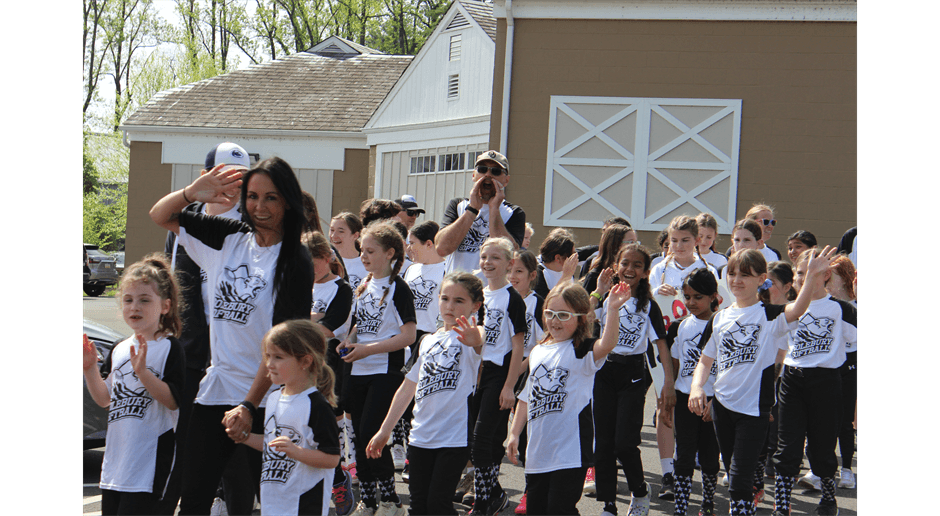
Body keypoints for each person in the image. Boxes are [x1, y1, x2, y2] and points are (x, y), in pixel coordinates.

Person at [150, 156, 315, 515]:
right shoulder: (227, 239)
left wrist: (249, 406)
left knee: (268, 504)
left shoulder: (294, 261)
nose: (260, 206)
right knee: (193, 498)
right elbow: (161, 215)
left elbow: (283, 345)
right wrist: (191, 192)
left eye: (271, 197)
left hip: (267, 401)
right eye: (252, 196)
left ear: (287, 201)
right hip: (216, 393)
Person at [688, 247, 836, 516]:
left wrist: (812, 276)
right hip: (723, 407)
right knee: (735, 474)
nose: (736, 280)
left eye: (745, 274)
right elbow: (705, 361)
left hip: (754, 410)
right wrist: (697, 387)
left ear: (761, 279)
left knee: (739, 479)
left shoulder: (770, 315)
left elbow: (799, 308)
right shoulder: (720, 318)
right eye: (732, 273)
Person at [160, 141, 255, 516]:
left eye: (239, 178)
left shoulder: (252, 225)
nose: (232, 185)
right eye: (223, 175)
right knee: (181, 451)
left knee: (237, 461)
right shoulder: (184, 219)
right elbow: (170, 285)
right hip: (189, 354)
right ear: (205, 176)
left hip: (234, 361)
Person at [506, 280, 633, 516]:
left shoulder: (582, 350)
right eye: (550, 313)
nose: (555, 320)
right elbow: (526, 397)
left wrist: (613, 309)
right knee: (536, 510)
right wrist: (514, 433)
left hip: (570, 454)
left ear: (581, 318)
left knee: (560, 509)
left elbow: (607, 344)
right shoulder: (538, 351)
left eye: (563, 315)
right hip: (537, 454)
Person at [365, 272, 487, 516]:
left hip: (453, 438)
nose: (449, 306)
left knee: (438, 505)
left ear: (476, 305)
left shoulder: (474, 335)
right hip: (420, 437)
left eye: (459, 301)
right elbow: (407, 388)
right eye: (445, 298)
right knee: (419, 506)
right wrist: (384, 430)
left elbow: (480, 342)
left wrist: (476, 341)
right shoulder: (427, 341)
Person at [81, 254, 186, 516]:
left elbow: (174, 400)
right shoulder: (119, 349)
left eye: (144, 300)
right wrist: (89, 368)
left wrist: (143, 373)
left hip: (149, 469)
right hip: (116, 467)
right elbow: (105, 398)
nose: (134, 307)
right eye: (128, 300)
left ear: (165, 306)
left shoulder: (169, 347)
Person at [337, 221, 416, 516]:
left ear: (390, 253)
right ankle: (369, 501)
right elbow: (361, 326)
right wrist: (348, 341)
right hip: (357, 371)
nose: (364, 256)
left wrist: (367, 349)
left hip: (384, 373)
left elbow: (408, 336)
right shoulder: (364, 285)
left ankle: (391, 501)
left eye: (371, 251)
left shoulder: (399, 288)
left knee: (373, 434)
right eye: (362, 250)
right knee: (358, 437)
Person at [589, 244, 675, 516]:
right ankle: (609, 504)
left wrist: (668, 385)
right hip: (603, 372)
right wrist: (597, 292)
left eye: (637, 265)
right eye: (625, 263)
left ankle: (639, 491)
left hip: (633, 376)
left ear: (646, 272)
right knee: (602, 442)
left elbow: (661, 346)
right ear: (616, 266)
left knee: (624, 442)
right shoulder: (605, 298)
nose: (629, 269)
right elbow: (585, 318)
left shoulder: (647, 305)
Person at [772, 248, 856, 516]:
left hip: (826, 381)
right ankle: (781, 504)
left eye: (811, 272)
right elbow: (780, 345)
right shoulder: (788, 310)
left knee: (821, 446)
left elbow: (854, 342)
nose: (802, 278)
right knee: (788, 447)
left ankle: (829, 499)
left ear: (826, 275)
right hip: (793, 381)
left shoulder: (840, 309)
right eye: (799, 273)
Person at [241, 320, 342, 516]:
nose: (269, 364)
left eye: (278, 357)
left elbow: (332, 458)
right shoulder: (272, 398)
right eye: (267, 356)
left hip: (302, 506)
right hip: (273, 503)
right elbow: (272, 444)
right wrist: (244, 437)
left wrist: (296, 451)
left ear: (305, 361)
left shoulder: (317, 406)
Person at [648, 216, 717, 499]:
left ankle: (696, 463)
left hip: (695, 350)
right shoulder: (658, 269)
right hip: (662, 344)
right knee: (665, 404)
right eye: (674, 240)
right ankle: (668, 472)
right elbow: (646, 306)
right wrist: (655, 293)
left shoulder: (708, 269)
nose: (678, 245)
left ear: (697, 240)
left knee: (694, 407)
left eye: (685, 240)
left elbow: (719, 305)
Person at [470, 237, 528, 516]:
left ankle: (484, 502)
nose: (487, 263)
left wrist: (509, 386)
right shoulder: (480, 295)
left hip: (501, 373)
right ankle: (493, 495)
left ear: (509, 263)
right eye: (484, 257)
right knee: (482, 440)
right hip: (479, 373)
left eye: (495, 258)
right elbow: (479, 340)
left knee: (481, 441)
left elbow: (518, 345)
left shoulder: (511, 298)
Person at [304, 231, 356, 515]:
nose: (307, 270)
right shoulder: (299, 286)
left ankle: (338, 478)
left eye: (312, 263)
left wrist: (305, 320)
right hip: (296, 362)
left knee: (326, 425)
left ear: (327, 258)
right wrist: (312, 319)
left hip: (328, 364)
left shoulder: (342, 289)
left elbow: (330, 328)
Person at [394, 221, 447, 474]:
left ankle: (419, 457)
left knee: (424, 400)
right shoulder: (411, 270)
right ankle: (404, 449)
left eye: (412, 243)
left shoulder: (446, 269)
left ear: (429, 244)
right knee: (405, 396)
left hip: (433, 339)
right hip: (408, 338)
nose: (408, 248)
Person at [668, 268, 721, 516]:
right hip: (685, 399)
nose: (691, 302)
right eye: (687, 296)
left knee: (710, 457)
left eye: (698, 297)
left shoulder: (724, 324)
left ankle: (707, 503)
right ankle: (681, 507)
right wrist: (669, 395)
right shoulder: (679, 327)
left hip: (714, 401)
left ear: (714, 297)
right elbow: (675, 366)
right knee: (684, 455)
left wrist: (717, 400)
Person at [436, 150, 526, 273]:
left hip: (491, 290)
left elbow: (511, 253)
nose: (488, 175)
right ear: (474, 175)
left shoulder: (513, 213)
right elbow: (442, 249)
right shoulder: (458, 206)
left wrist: (494, 209)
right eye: (482, 169)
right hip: (456, 288)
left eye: (496, 171)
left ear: (506, 180)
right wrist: (472, 209)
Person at [534, 228, 580, 299]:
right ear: (558, 258)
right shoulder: (539, 273)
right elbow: (546, 302)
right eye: (572, 255)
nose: (575, 257)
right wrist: (565, 277)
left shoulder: (567, 271)